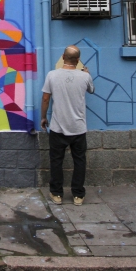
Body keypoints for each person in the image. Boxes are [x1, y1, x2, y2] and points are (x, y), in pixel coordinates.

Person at [40, 45, 94, 206]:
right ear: (78, 60)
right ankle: (78, 195)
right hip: (78, 128)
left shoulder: (52, 75)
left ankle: (57, 193)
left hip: (58, 127)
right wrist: (87, 74)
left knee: (56, 160)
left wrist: (43, 117)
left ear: (63, 57)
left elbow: (45, 99)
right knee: (79, 161)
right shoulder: (85, 77)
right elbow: (92, 90)